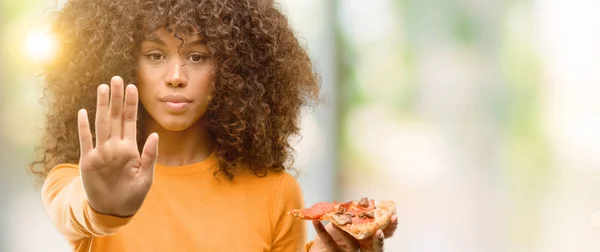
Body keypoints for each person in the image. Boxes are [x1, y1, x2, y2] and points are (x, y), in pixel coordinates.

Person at [30, 0, 397, 251]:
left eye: (197, 56)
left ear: (235, 67)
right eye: (155, 55)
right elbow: (73, 209)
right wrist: (104, 207)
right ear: (124, 63)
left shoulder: (276, 194)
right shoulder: (78, 181)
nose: (176, 76)